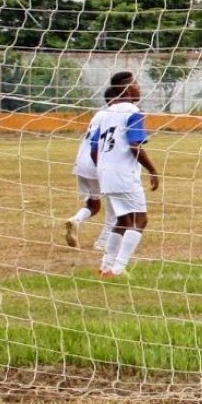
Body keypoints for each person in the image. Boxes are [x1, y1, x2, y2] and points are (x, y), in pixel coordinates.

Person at [94, 71, 161, 278]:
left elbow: (94, 147)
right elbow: (134, 145)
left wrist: (103, 167)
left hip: (106, 173)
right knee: (140, 219)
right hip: (123, 174)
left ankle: (106, 267)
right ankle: (118, 268)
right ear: (126, 89)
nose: (139, 87)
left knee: (123, 220)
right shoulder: (133, 111)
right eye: (136, 84)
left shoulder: (106, 113)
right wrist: (153, 170)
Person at [63, 99, 112, 251]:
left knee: (93, 204)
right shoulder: (116, 116)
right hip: (97, 163)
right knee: (116, 206)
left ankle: (76, 219)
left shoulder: (99, 114)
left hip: (81, 163)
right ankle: (103, 243)